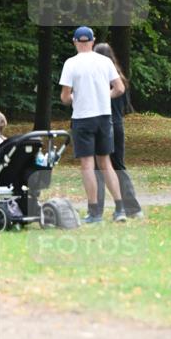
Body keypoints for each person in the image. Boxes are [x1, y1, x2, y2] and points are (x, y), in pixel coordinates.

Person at [58, 26, 126, 223]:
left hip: (82, 118)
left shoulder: (71, 63)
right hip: (104, 117)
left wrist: (73, 98)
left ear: (75, 42)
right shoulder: (105, 61)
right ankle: (120, 209)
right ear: (93, 41)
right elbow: (119, 88)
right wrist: (105, 96)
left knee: (88, 165)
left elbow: (64, 97)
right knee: (106, 163)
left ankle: (95, 212)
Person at [93, 43, 143, 219]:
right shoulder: (120, 78)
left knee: (97, 167)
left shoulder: (97, 78)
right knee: (118, 166)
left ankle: (96, 209)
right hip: (118, 123)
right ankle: (133, 208)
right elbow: (124, 107)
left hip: (101, 123)